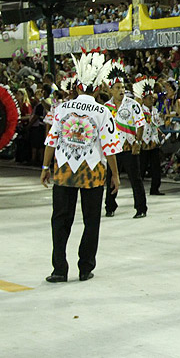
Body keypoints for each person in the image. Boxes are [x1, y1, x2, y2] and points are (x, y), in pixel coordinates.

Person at [41, 51, 121, 283]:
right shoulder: (103, 112)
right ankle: (85, 267)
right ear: (96, 90)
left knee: (60, 219)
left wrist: (46, 167)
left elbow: (51, 141)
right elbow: (110, 148)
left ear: (76, 87)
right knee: (91, 220)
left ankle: (59, 269)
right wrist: (115, 175)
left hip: (65, 170)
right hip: (93, 172)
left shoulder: (62, 109)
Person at [104, 63, 148, 218]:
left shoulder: (132, 104)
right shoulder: (106, 107)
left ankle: (141, 208)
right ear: (110, 90)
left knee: (135, 179)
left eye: (122, 87)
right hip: (113, 149)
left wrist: (138, 142)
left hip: (129, 147)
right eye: (117, 87)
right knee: (110, 178)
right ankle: (110, 206)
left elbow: (140, 124)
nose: (121, 90)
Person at [133, 77, 165, 196]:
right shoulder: (140, 111)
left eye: (152, 98)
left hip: (154, 142)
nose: (152, 100)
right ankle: (138, 191)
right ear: (144, 99)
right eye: (149, 98)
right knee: (141, 168)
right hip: (144, 142)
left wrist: (162, 120)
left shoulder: (155, 110)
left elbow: (158, 124)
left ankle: (155, 188)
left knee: (156, 167)